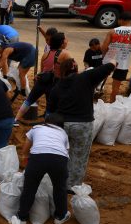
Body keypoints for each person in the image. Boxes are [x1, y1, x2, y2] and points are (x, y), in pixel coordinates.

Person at [47, 58, 116, 191]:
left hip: (61, 125)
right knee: (79, 156)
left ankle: (56, 180)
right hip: (82, 125)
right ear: (76, 69)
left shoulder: (57, 87)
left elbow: (50, 110)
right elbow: (108, 67)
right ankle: (72, 185)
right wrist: (113, 61)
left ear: (62, 71)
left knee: (60, 153)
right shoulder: (86, 77)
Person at [17, 113, 71, 224]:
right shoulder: (63, 133)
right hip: (59, 159)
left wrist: (25, 157)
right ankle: (60, 216)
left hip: (38, 157)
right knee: (60, 188)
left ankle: (22, 218)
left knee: (29, 188)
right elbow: (66, 151)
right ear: (61, 125)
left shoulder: (36, 128)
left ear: (46, 121)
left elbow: (26, 146)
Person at [15, 32, 71, 122]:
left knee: (29, 100)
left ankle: (15, 119)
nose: (67, 41)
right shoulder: (65, 54)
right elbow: (70, 71)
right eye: (65, 39)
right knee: (50, 107)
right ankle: (46, 125)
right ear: (62, 42)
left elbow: (42, 71)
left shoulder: (46, 53)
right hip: (54, 83)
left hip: (42, 80)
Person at [101, 11, 131, 102]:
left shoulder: (112, 31)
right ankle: (112, 104)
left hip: (108, 61)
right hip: (123, 64)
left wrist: (103, 56)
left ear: (120, 20)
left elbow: (104, 47)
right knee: (115, 89)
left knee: (98, 81)